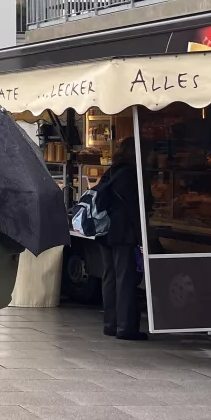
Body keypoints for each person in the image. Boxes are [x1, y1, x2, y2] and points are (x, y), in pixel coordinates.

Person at [95, 137, 148, 341]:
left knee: (109, 276)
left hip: (105, 230)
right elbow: (141, 204)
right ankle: (126, 327)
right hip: (124, 231)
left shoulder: (112, 171)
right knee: (125, 278)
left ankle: (111, 324)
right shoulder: (133, 174)